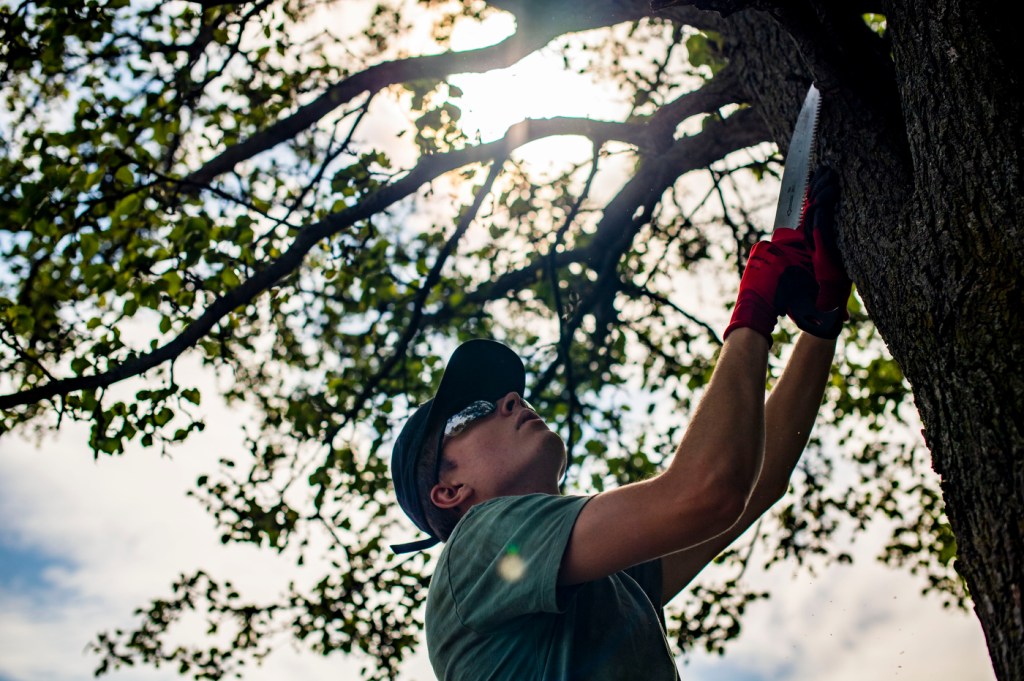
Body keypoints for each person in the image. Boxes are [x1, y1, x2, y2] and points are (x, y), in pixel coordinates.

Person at [390, 168, 850, 680]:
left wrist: (823, 317)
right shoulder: (477, 547)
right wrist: (753, 308)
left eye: (501, 395)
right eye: (471, 414)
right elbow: (707, 493)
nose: (509, 400)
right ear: (449, 491)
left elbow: (754, 482)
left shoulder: (600, 580)